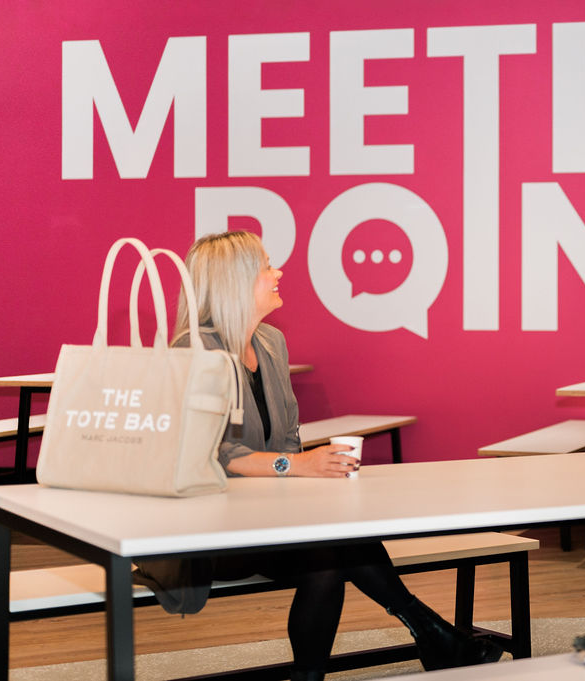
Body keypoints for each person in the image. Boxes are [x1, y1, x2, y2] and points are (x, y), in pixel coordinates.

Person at [134, 231, 502, 681]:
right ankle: (434, 635)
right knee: (328, 552)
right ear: (236, 281)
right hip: (206, 532)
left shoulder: (270, 343)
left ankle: (369, 657)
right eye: (267, 266)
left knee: (327, 556)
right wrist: (298, 466)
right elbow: (213, 451)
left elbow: (287, 436)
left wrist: (304, 468)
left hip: (265, 518)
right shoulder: (192, 351)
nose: (279, 273)